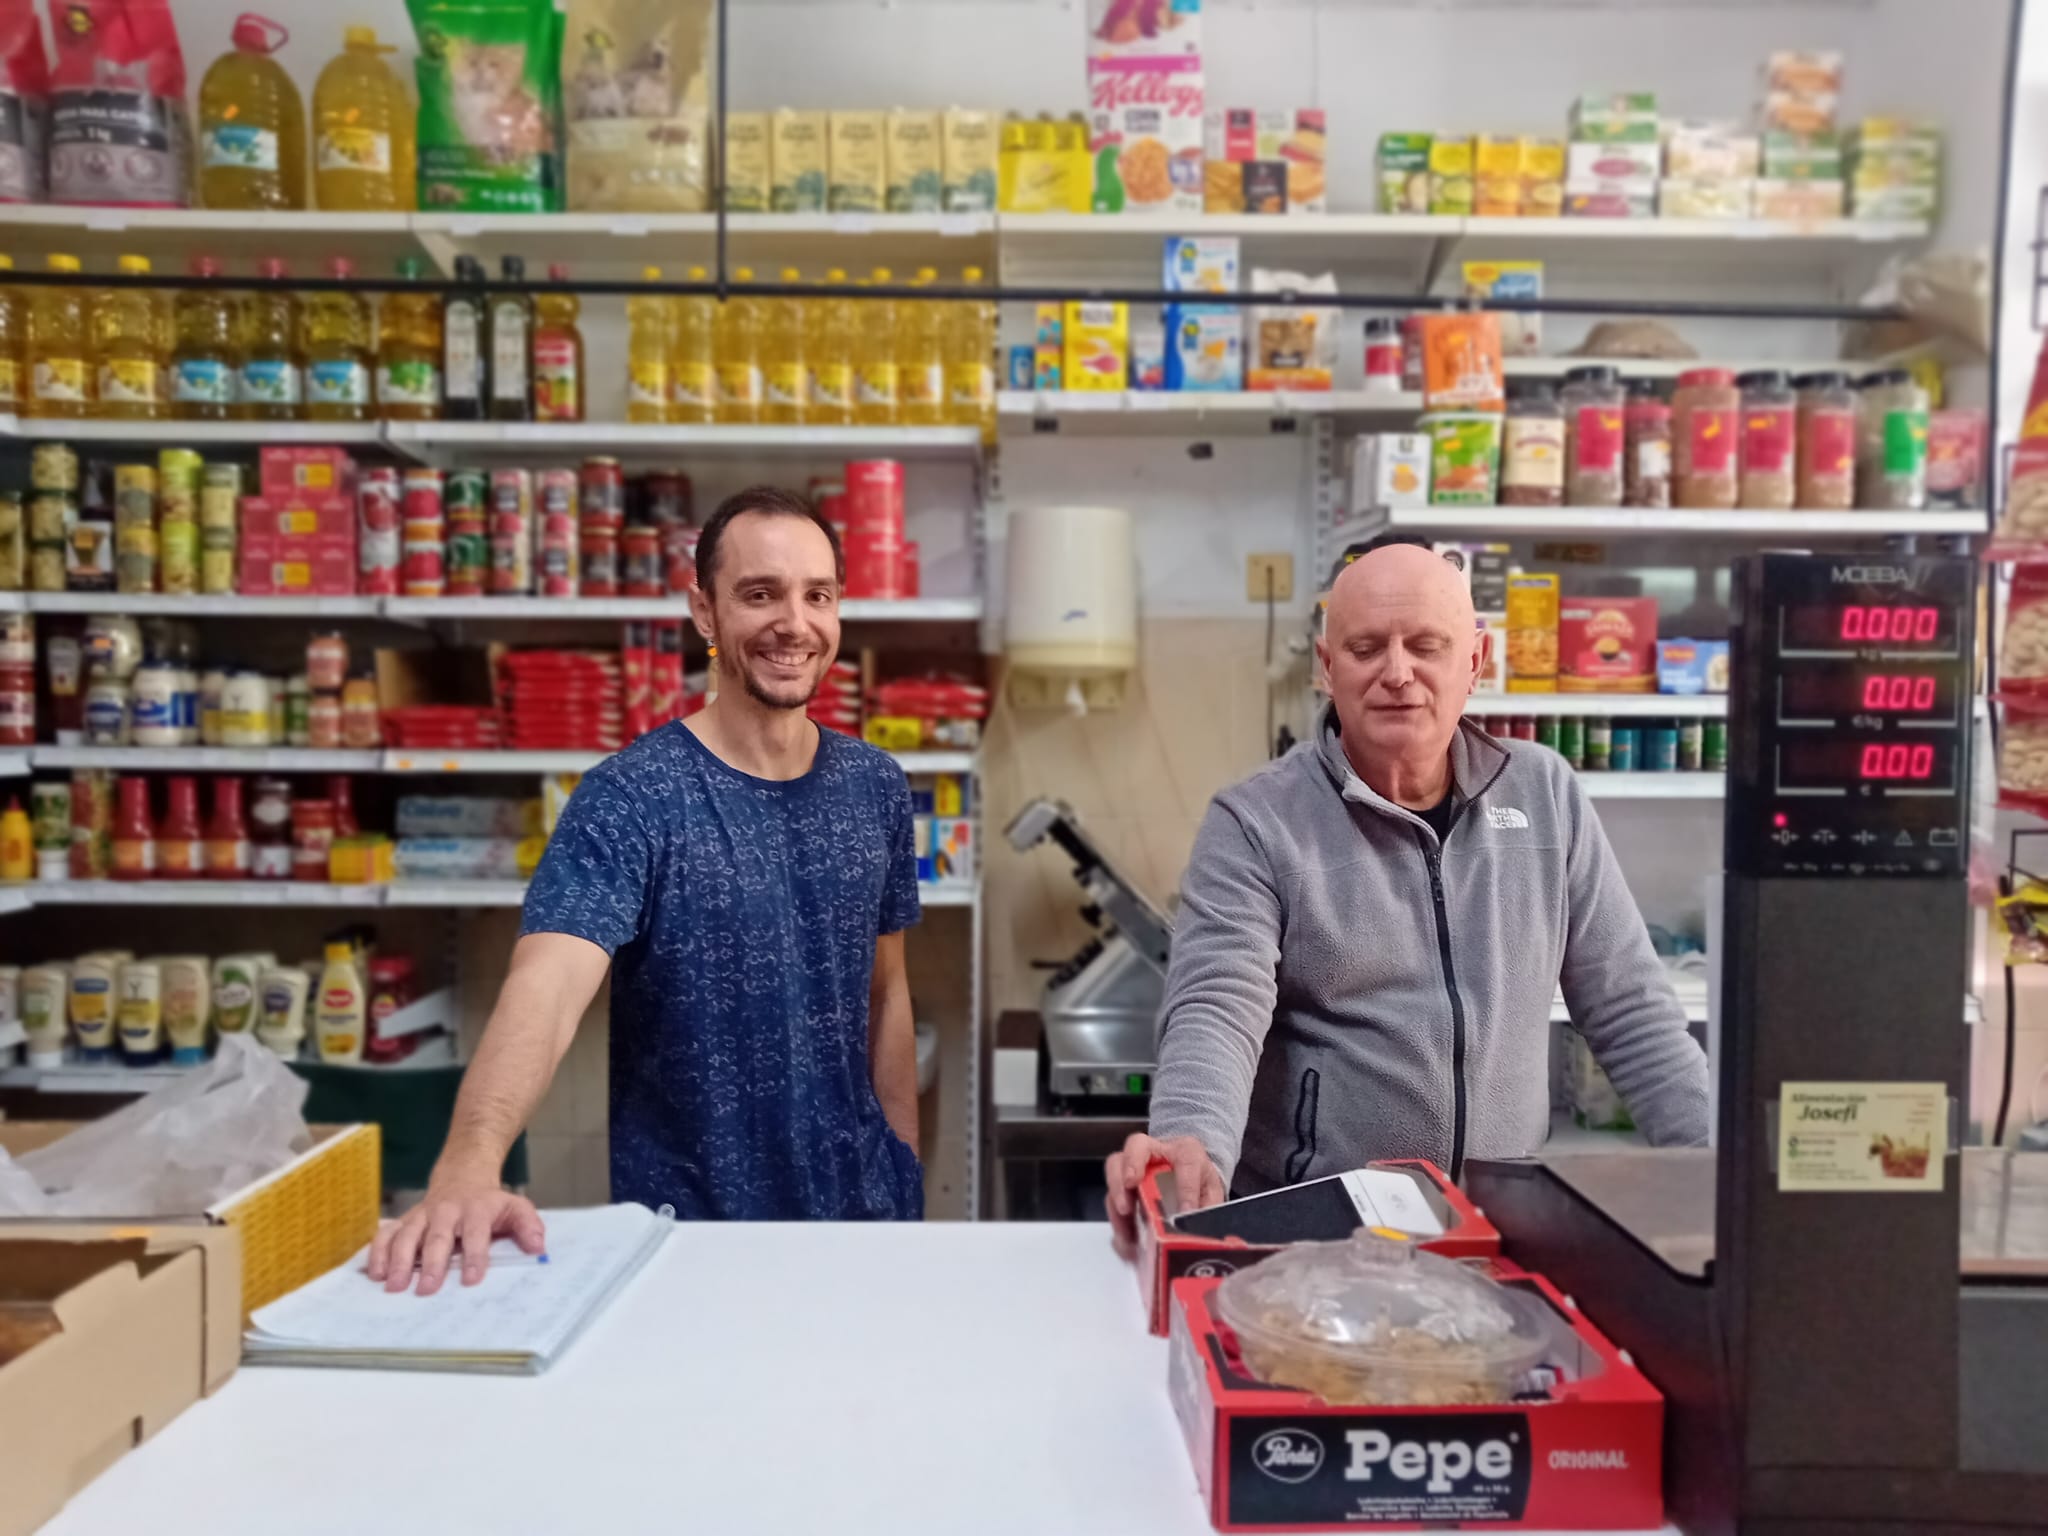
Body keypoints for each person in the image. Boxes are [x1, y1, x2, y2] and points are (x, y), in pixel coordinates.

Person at [371, 486, 925, 1294]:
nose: (794, 624)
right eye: (760, 594)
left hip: (860, 1224)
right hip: (687, 1245)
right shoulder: (632, 797)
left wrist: (904, 1172)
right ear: (704, 612)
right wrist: (469, 1161)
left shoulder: (874, 786)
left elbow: (887, 994)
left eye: (818, 596)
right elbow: (548, 986)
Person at [1105, 539, 1709, 1252]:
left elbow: (1631, 1010)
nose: (1397, 673)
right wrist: (1191, 1143)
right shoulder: (1257, 822)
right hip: (1320, 1242)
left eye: (1426, 646)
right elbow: (1217, 1009)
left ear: (1474, 662)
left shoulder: (1545, 795)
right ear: (1327, 668)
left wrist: (1719, 1168)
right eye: (1366, 648)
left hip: (1501, 1233)